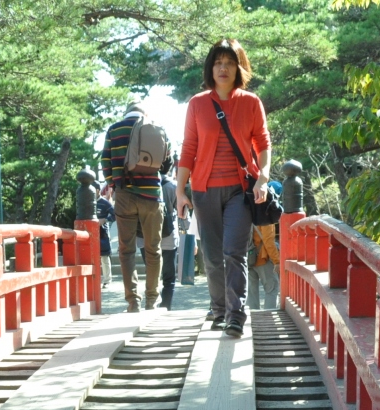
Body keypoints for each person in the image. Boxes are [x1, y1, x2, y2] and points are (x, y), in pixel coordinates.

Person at [176, 38, 272, 338]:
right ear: (211, 67)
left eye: (230, 63)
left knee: (234, 252)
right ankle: (219, 310)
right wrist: (180, 191)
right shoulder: (197, 104)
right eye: (218, 62)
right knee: (212, 256)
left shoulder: (251, 102)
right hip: (204, 190)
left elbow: (263, 143)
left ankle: (235, 315)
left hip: (239, 191)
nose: (223, 68)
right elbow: (189, 148)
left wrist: (263, 177)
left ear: (239, 68)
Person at [100, 102, 168, 311]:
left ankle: (133, 301)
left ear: (126, 112)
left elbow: (105, 162)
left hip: (125, 195)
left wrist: (113, 184)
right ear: (144, 113)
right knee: (153, 249)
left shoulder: (114, 130)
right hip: (152, 196)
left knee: (126, 249)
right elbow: (166, 163)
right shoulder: (157, 128)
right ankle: (152, 299)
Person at [140, 158, 179, 309]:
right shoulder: (173, 186)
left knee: (151, 272)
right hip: (168, 236)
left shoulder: (142, 185)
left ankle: (151, 302)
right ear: (169, 168)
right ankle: (166, 306)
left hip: (146, 236)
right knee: (169, 278)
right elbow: (181, 212)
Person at [250, 222, 279, 309]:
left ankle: (253, 316)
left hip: (248, 258)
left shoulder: (246, 215)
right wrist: (277, 261)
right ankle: (269, 315)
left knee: (251, 293)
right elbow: (268, 242)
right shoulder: (265, 219)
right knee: (271, 289)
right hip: (263, 258)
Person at [96, 186, 115, 288]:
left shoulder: (105, 203)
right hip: (90, 232)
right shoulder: (87, 202)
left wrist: (105, 220)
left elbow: (115, 214)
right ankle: (94, 279)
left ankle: (107, 280)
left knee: (104, 256)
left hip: (103, 232)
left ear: (98, 190)